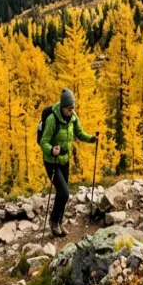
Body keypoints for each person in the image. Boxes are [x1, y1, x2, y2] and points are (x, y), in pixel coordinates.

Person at [39, 88, 97, 238]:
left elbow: (79, 132)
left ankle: (59, 221)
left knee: (62, 194)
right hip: (52, 161)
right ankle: (53, 222)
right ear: (63, 107)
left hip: (65, 160)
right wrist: (52, 150)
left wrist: (91, 139)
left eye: (73, 108)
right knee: (64, 193)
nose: (72, 111)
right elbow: (43, 141)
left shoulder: (73, 117)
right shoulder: (52, 120)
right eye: (69, 108)